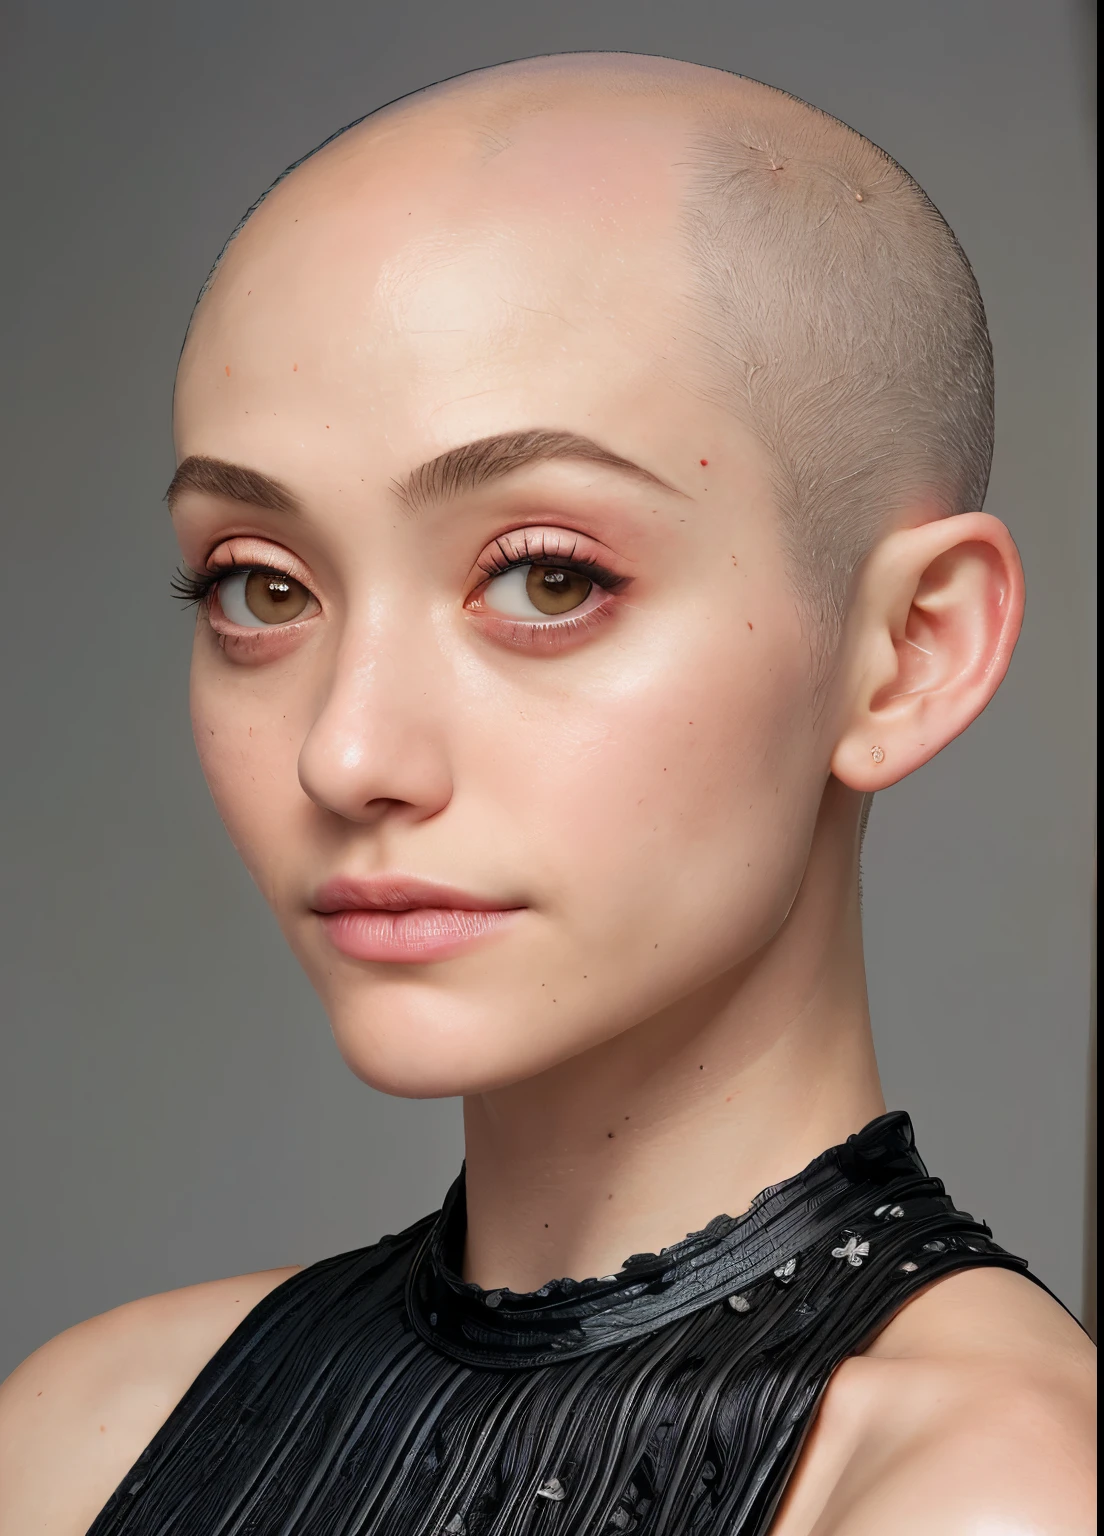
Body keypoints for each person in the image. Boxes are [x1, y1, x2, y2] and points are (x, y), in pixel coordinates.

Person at [0, 51, 1094, 1536]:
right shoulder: (79, 1436)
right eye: (262, 587)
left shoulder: (995, 1491)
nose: (349, 754)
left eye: (547, 575)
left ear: (909, 651)